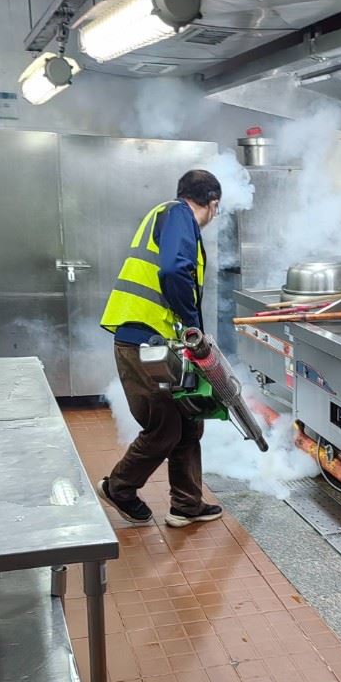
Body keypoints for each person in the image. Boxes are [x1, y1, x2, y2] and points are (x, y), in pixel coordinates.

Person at [97, 169, 223, 528]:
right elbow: (173, 271)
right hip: (143, 342)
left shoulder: (167, 216)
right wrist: (193, 325)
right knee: (164, 429)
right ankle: (119, 488)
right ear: (213, 204)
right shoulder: (179, 214)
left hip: (155, 342)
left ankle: (186, 504)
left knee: (188, 423)